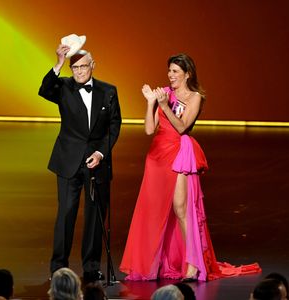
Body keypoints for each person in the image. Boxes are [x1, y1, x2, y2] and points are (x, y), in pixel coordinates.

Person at [119, 53, 261, 281]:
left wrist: (164, 105)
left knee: (181, 209)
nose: (170, 75)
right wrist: (151, 103)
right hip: (157, 156)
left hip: (178, 154)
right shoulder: (165, 94)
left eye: (175, 71)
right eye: (169, 71)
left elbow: (183, 127)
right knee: (154, 210)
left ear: (187, 74)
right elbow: (148, 130)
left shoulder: (195, 97)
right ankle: (153, 264)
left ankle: (193, 265)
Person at [38, 39, 122, 282]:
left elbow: (114, 125)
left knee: (95, 216)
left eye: (83, 67)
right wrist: (59, 63)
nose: (79, 72)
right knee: (65, 214)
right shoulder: (63, 87)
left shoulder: (108, 91)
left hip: (97, 162)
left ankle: (90, 266)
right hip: (67, 161)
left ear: (93, 65)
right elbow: (44, 90)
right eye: (74, 68)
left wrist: (101, 153)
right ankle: (58, 268)